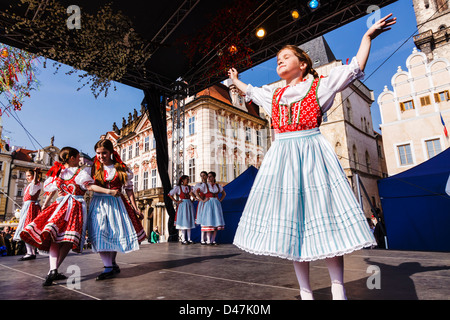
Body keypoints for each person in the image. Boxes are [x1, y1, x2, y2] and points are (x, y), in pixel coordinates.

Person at [229, 14, 396, 300]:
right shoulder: (274, 94)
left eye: (285, 57)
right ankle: (305, 291)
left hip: (312, 152)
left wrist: (366, 37)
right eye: (277, 59)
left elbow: (355, 67)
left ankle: (337, 287)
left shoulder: (321, 86)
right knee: (295, 225)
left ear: (303, 64)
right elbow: (251, 91)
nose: (279, 61)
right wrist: (235, 80)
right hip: (283, 156)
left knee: (324, 219)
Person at [20, 147, 116, 286]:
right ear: (71, 158)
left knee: (54, 238)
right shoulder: (79, 173)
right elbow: (89, 187)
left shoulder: (58, 173)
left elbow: (49, 189)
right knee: (67, 240)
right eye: (77, 157)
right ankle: (53, 270)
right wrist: (108, 191)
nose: (79, 160)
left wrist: (46, 204)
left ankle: (53, 269)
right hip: (74, 207)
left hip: (58, 207)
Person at [88, 139, 147, 281]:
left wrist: (135, 208)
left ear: (111, 153)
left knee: (113, 233)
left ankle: (111, 263)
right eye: (98, 153)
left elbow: (129, 190)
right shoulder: (93, 168)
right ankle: (108, 267)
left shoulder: (120, 169)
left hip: (116, 204)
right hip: (99, 203)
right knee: (100, 232)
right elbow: (88, 186)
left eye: (104, 153)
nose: (101, 156)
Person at [14, 168, 42, 261]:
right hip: (28, 206)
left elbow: (34, 182)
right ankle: (31, 252)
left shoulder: (36, 184)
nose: (27, 178)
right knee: (27, 229)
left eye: (29, 176)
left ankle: (30, 252)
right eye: (26, 176)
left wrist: (36, 172)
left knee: (27, 229)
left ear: (34, 176)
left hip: (30, 207)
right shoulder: (31, 185)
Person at [195, 171, 226, 245]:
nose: (208, 178)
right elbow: (196, 192)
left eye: (210, 176)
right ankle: (208, 240)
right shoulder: (205, 185)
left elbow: (224, 193)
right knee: (209, 220)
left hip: (216, 204)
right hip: (208, 204)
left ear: (214, 177)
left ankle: (213, 240)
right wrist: (202, 200)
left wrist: (220, 200)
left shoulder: (217, 186)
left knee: (216, 221)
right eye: (208, 176)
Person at [168, 175, 196, 244]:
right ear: (182, 180)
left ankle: (189, 239)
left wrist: (193, 199)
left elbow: (196, 193)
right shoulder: (178, 188)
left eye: (188, 179)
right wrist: (176, 201)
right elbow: (170, 194)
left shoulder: (190, 187)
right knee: (184, 221)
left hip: (189, 204)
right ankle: (183, 239)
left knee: (189, 221)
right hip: (183, 205)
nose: (188, 181)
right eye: (187, 179)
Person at [192, 171, 208, 244]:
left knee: (208, 220)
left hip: (208, 202)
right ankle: (202, 239)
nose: (202, 177)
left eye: (204, 175)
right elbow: (192, 192)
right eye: (201, 176)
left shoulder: (209, 185)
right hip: (202, 202)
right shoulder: (199, 185)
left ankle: (207, 239)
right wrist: (197, 198)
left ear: (207, 176)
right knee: (203, 220)